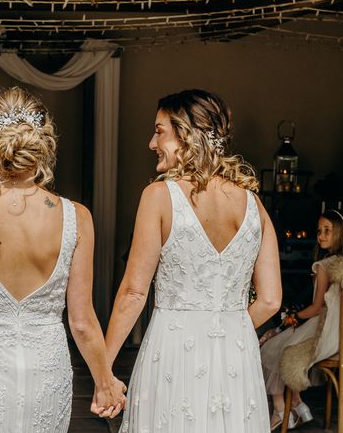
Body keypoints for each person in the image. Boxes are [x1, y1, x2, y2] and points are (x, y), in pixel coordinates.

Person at [0, 87, 127, 431]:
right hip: (45, 369)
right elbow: (82, 322)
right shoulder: (76, 216)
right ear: (43, 145)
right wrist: (104, 382)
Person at [104, 89, 282, 432]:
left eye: (159, 131)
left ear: (185, 134)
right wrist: (229, 330)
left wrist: (103, 367)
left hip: (172, 354)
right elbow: (271, 300)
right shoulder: (254, 206)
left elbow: (133, 293)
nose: (151, 143)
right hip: (236, 356)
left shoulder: (158, 197)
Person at [260, 209, 343, 430]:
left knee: (270, 348)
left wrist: (291, 317)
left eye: (327, 231)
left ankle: (281, 409)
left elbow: (315, 308)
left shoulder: (324, 266)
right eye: (319, 231)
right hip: (342, 332)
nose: (321, 236)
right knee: (281, 344)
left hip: (324, 329)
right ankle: (298, 404)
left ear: (341, 233)